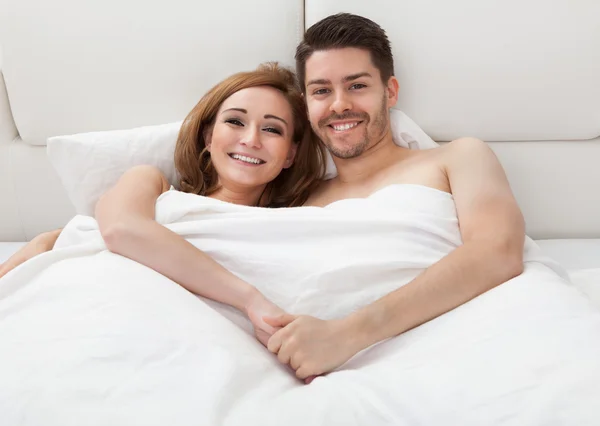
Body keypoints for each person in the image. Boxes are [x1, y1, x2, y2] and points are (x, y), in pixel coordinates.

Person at [1, 13, 526, 382]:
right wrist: (61, 237)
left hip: (398, 348)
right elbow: (220, 245)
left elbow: (498, 250)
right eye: (321, 90)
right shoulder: (292, 204)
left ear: (390, 91)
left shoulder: (455, 158)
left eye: (357, 85)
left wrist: (348, 334)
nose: (339, 105)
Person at [0, 62, 326, 348]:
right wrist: (249, 299)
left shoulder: (288, 223)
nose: (251, 139)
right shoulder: (151, 183)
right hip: (98, 310)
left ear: (291, 154)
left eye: (271, 129)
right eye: (235, 122)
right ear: (208, 137)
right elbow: (119, 229)